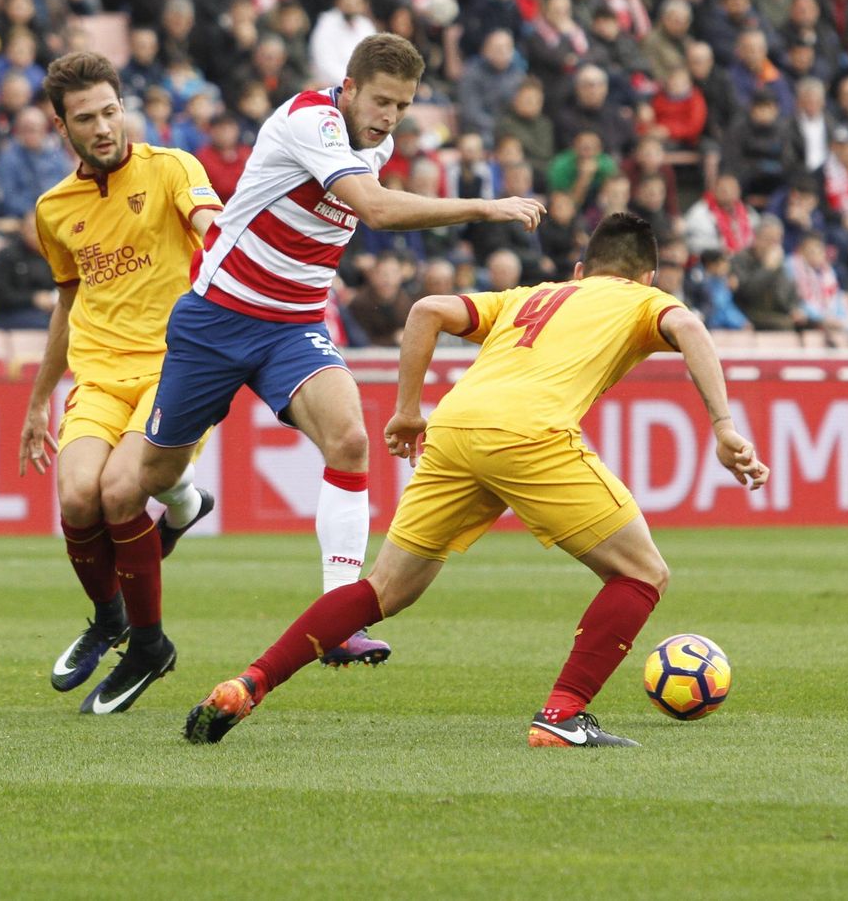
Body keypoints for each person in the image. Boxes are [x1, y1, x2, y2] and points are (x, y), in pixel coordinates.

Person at [183, 213, 769, 747]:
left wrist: (407, 410)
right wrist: (722, 425)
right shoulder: (642, 301)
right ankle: (562, 715)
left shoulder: (531, 296)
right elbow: (690, 327)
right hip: (529, 433)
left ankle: (250, 682)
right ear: (647, 275)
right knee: (643, 572)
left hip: (454, 426)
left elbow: (426, 311)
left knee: (384, 589)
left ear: (578, 270)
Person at [135, 34, 543, 685]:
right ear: (348, 88)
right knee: (152, 474)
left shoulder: (374, 143)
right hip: (218, 316)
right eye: (381, 100)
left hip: (292, 326)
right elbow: (376, 210)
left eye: (403, 107)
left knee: (351, 439)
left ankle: (337, 618)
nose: (389, 117)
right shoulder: (310, 120)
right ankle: (185, 502)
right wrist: (485, 205)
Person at [18, 52, 223, 715]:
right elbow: (66, 303)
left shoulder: (171, 168)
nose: (104, 126)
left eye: (111, 110)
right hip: (99, 374)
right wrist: (35, 402)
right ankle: (110, 620)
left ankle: (150, 646)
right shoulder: (54, 208)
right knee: (78, 498)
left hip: (176, 366)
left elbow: (210, 233)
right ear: (62, 128)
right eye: (86, 117)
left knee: (119, 490)